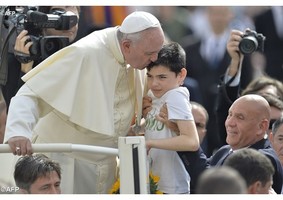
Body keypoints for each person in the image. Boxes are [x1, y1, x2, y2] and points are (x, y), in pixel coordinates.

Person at [3, 11, 165, 194]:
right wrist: (18, 131)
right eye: (150, 53)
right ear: (126, 45)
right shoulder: (85, 52)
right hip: (65, 162)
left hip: (109, 165)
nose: (155, 59)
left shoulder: (139, 57)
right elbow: (29, 94)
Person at [179, 94, 283, 194]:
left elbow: (216, 189)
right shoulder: (224, 151)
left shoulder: (262, 159)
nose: (230, 123)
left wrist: (188, 139)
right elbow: (199, 177)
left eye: (240, 117)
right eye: (230, 115)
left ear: (261, 126)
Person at [144, 42, 199, 194]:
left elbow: (192, 141)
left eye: (162, 77)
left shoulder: (175, 95)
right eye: (150, 76)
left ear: (181, 75)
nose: (154, 83)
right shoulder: (154, 95)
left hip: (173, 187)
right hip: (155, 183)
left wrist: (150, 143)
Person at [2, 6, 80, 110]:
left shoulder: (83, 55)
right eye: (58, 11)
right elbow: (17, 113)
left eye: (71, 7)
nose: (67, 17)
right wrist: (26, 70)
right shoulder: (17, 61)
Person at [216, 29, 283, 147]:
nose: (267, 104)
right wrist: (236, 61)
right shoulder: (233, 143)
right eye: (261, 98)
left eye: (273, 123)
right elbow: (226, 104)